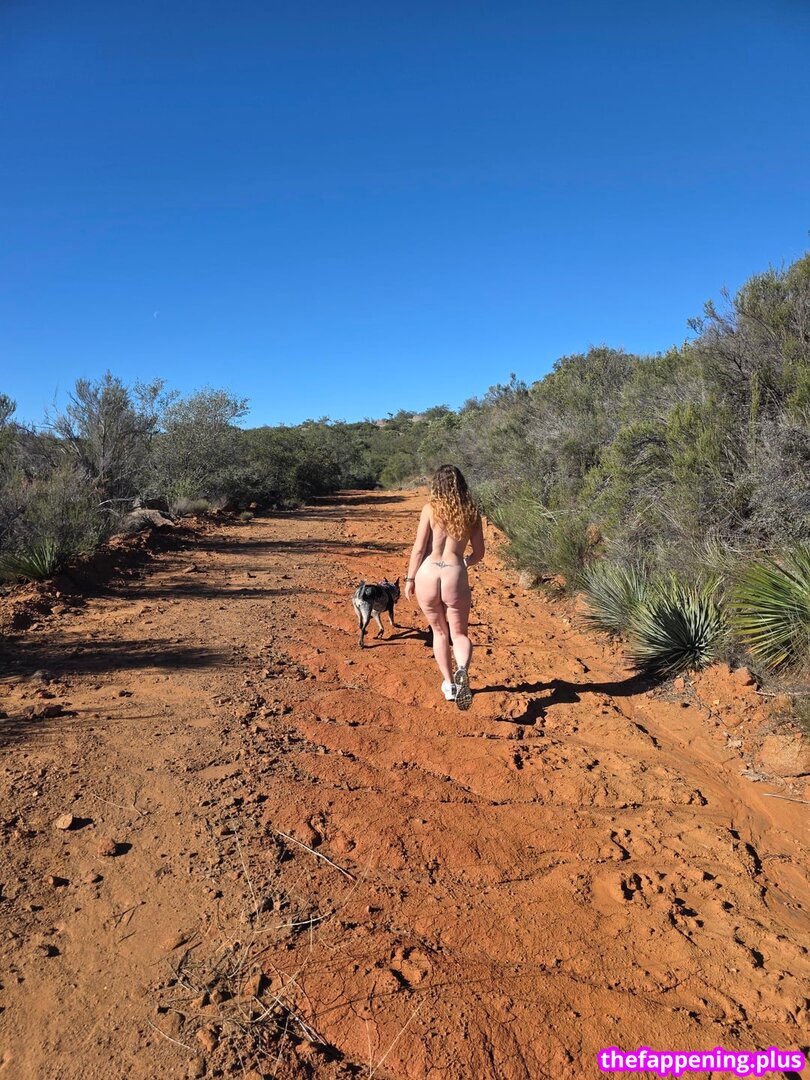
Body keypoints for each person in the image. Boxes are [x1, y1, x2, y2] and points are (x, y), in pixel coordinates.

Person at [404, 465, 485, 709]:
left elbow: (419, 548)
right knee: (459, 634)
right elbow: (479, 553)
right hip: (454, 573)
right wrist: (464, 563)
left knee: (439, 632)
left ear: (436, 484)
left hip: (428, 573)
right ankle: (462, 670)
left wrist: (409, 579)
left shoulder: (429, 509)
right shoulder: (472, 512)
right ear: (461, 484)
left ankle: (449, 684)